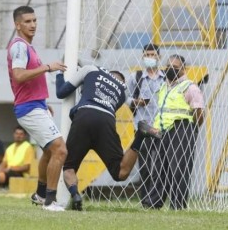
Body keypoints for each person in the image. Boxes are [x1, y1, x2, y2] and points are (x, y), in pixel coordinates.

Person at [56, 65, 161, 211]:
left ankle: (75, 195)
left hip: (84, 116)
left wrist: (60, 74)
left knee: (69, 168)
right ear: (121, 81)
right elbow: (131, 102)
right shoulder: (123, 91)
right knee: (120, 172)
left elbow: (61, 93)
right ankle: (140, 136)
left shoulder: (91, 69)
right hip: (106, 122)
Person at [7, 5, 68, 212]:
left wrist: (43, 102)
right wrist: (47, 67)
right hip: (28, 108)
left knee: (50, 152)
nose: (33, 25)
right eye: (27, 21)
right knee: (60, 149)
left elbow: (28, 81)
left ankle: (41, 195)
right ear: (17, 25)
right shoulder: (19, 47)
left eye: (34, 20)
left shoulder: (27, 46)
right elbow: (19, 75)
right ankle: (50, 202)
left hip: (36, 105)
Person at [143, 54, 205, 210]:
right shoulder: (164, 86)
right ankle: (153, 203)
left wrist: (192, 129)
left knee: (179, 168)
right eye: (168, 66)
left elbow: (199, 111)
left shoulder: (190, 87)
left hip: (181, 129)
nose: (170, 69)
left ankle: (178, 205)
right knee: (158, 167)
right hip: (162, 130)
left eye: (175, 67)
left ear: (183, 69)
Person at [126, 43, 165, 205]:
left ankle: (159, 199)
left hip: (162, 127)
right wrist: (135, 102)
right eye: (147, 55)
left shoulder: (166, 78)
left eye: (153, 54)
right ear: (143, 57)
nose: (150, 57)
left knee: (161, 165)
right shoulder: (135, 77)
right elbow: (124, 97)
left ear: (159, 57)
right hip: (142, 127)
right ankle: (145, 200)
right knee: (145, 166)